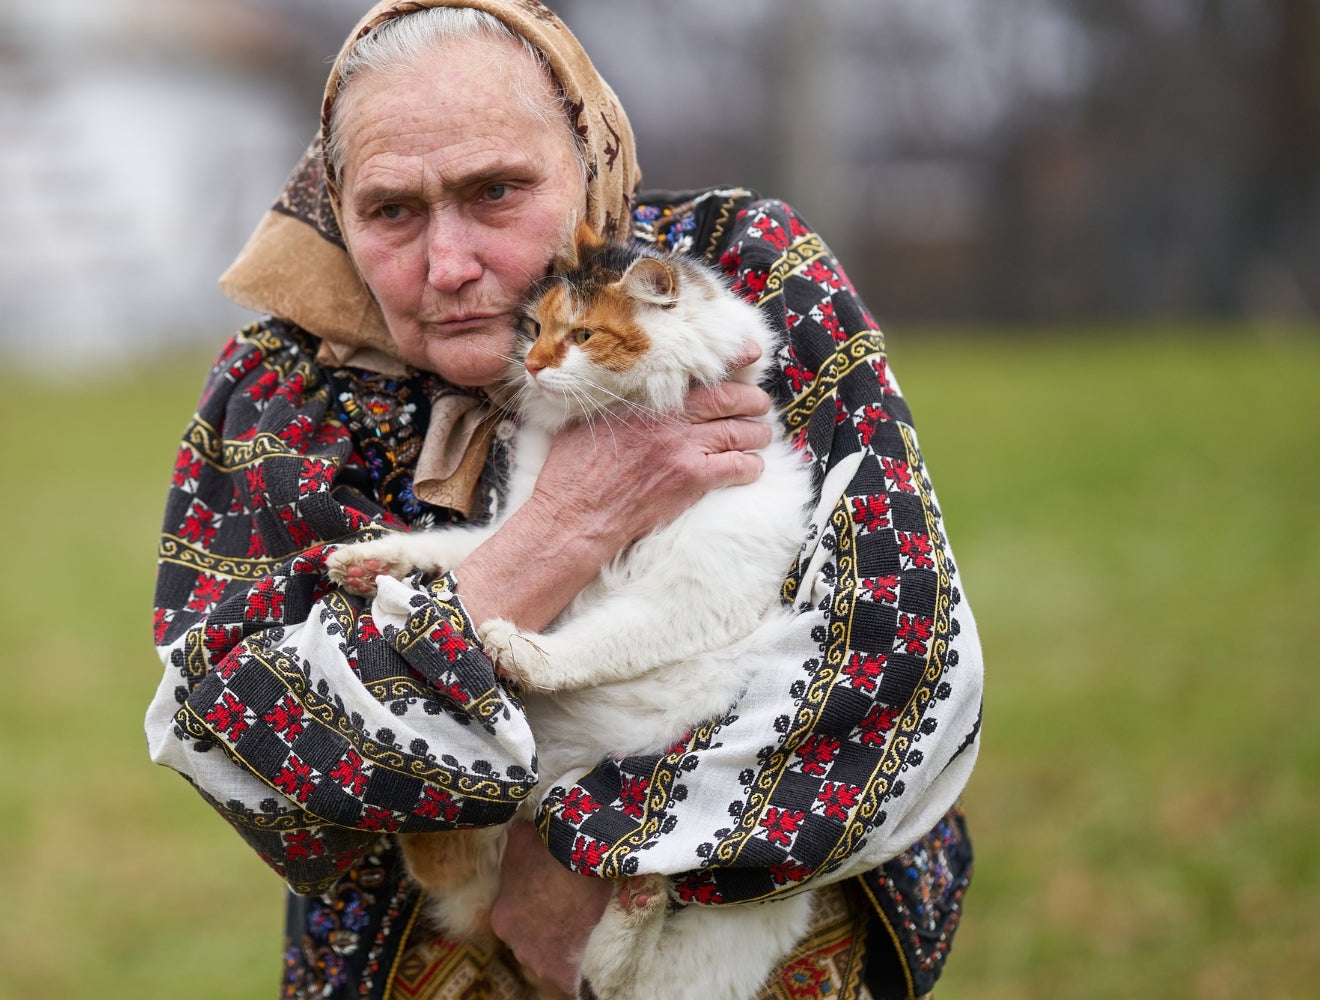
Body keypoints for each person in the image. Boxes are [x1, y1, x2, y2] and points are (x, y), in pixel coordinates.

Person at [145, 2, 981, 997]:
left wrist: (596, 845)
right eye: (391, 211)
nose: (448, 264)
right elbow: (240, 737)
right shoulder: (280, 390)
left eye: (495, 191)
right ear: (334, 207)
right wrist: (554, 536)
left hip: (753, 929)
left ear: (585, 159)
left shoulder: (745, 275)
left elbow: (901, 652)